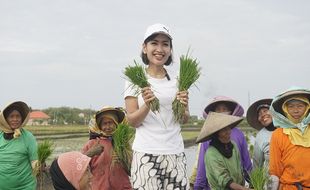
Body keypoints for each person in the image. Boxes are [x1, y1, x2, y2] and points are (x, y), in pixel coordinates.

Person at [124, 23, 190, 189]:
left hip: (174, 153)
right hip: (146, 153)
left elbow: (184, 119)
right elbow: (131, 121)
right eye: (154, 43)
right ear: (144, 48)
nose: (160, 49)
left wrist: (183, 106)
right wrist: (147, 105)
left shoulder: (179, 80)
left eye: (165, 44)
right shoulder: (134, 79)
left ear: (170, 50)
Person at [194, 96, 252, 190]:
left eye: (224, 109)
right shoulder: (210, 151)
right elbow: (202, 167)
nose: (221, 112)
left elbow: (246, 165)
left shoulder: (236, 141)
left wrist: (254, 182)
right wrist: (198, 187)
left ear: (230, 111)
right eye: (218, 109)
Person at [269, 87, 310, 190]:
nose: (296, 110)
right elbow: (275, 170)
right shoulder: (278, 134)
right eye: (291, 107)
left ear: (307, 107)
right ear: (285, 109)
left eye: (300, 106)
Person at [81, 106, 132, 190]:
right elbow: (78, 166)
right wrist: (91, 153)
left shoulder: (123, 144)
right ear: (100, 126)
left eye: (110, 123)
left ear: (116, 123)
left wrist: (123, 159)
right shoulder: (91, 144)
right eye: (104, 123)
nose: (108, 127)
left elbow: (132, 171)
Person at [0, 101, 38, 190]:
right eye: (11, 116)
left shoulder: (28, 137)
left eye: (18, 116)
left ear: (22, 119)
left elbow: (34, 161)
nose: (15, 119)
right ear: (5, 119)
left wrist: (39, 167)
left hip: (25, 186)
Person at [246, 98, 275, 169]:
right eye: (259, 114)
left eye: (265, 111)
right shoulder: (260, 136)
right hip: (270, 178)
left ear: (273, 112)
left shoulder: (287, 130)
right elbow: (257, 164)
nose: (263, 115)